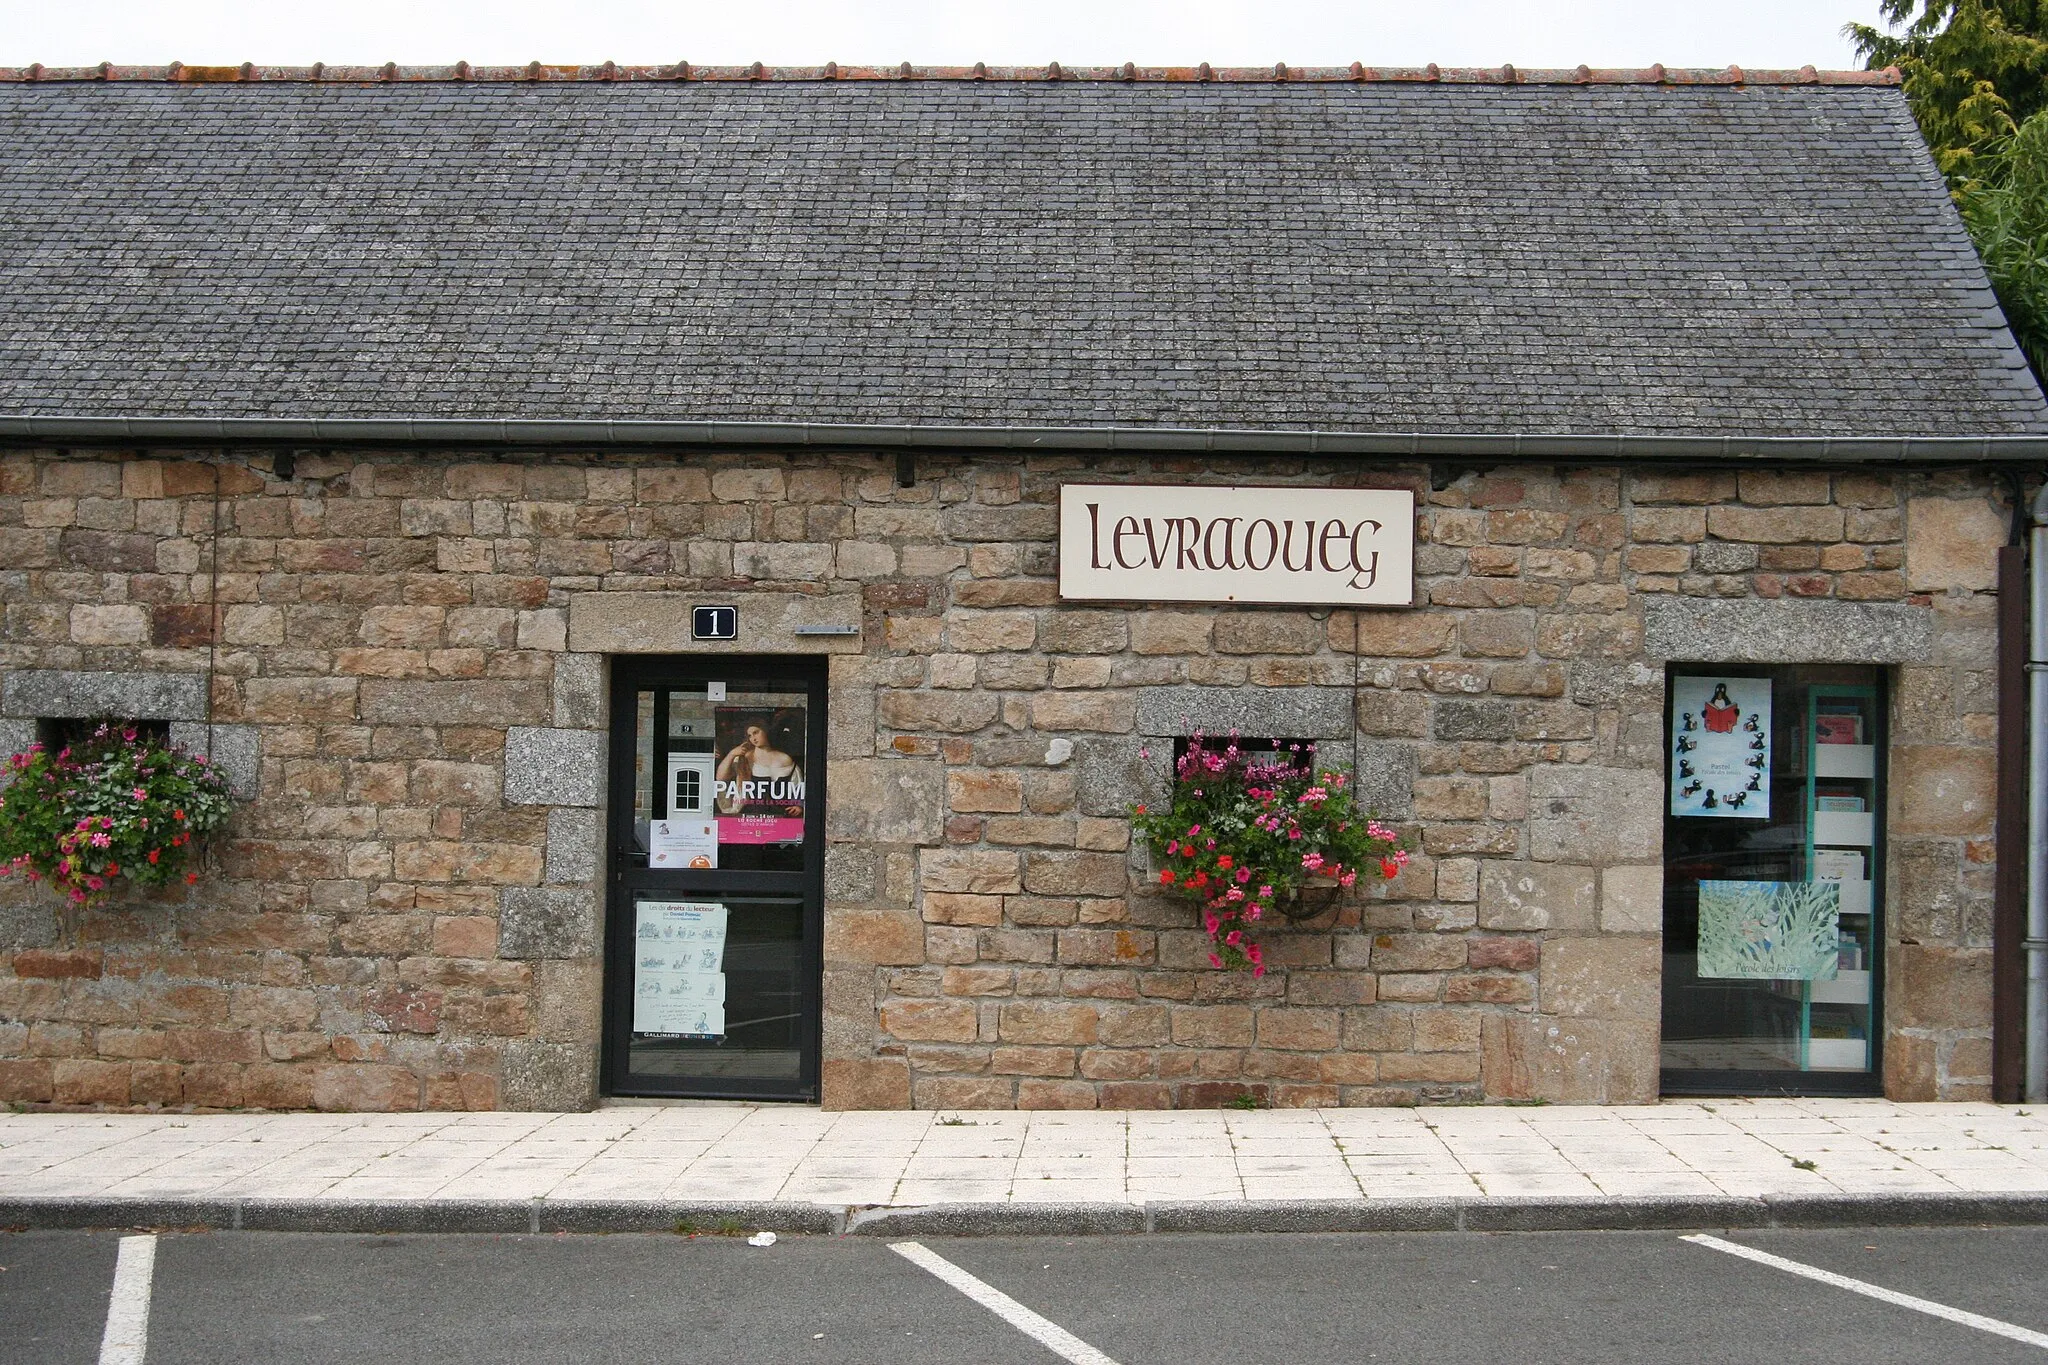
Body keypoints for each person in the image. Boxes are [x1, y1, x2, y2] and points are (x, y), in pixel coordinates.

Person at [715, 722, 803, 815]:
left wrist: (798, 805)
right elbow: (721, 778)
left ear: (766, 731)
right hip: (750, 814)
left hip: (780, 814)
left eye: (756, 732)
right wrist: (731, 754)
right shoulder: (744, 758)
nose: (753, 738)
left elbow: (797, 785)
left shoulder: (785, 759)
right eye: (750, 735)